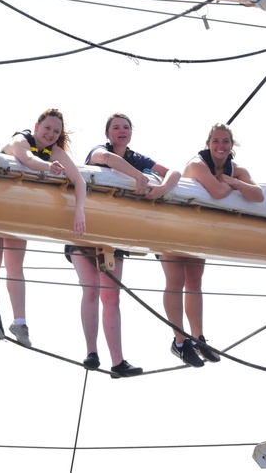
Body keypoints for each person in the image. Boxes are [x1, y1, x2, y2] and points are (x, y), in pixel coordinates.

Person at [76, 113, 181, 377]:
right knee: (91, 290)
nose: (121, 131)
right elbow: (107, 160)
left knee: (111, 296)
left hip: (115, 233)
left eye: (126, 127)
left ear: (131, 133)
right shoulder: (100, 151)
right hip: (87, 227)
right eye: (116, 128)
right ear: (108, 134)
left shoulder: (137, 157)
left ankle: (118, 362)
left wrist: (160, 189)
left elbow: (173, 172)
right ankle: (91, 352)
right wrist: (139, 178)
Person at [0, 108, 86, 350]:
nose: (51, 134)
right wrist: (49, 168)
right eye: (47, 128)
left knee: (15, 264)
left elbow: (79, 180)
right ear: (36, 127)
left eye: (56, 132)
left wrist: (79, 210)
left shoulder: (54, 151)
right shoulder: (20, 140)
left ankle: (20, 323)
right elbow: (27, 159)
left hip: (18, 207)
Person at [162, 122, 263, 367]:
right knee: (176, 281)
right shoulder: (197, 164)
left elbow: (258, 195)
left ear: (231, 146)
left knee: (195, 281)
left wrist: (235, 182)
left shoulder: (235, 169)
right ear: (208, 144)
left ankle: (198, 338)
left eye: (225, 141)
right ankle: (179, 342)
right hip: (173, 224)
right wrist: (230, 183)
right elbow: (217, 192)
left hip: (198, 229)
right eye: (216, 141)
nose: (220, 146)